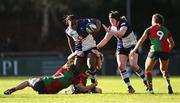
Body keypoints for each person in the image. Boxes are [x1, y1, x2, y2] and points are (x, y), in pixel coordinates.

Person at [97, 11, 148, 93]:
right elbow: (105, 39)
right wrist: (96, 47)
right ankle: (130, 87)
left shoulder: (124, 23)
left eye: (112, 20)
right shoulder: (111, 28)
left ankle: (145, 80)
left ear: (117, 19)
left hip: (132, 46)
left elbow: (121, 33)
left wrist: (110, 31)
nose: (110, 22)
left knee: (133, 65)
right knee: (121, 67)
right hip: (121, 47)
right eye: (109, 20)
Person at [4, 56, 102, 95]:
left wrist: (77, 53)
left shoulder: (65, 67)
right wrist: (94, 84)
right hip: (47, 90)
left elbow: (71, 58)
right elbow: (83, 89)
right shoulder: (74, 78)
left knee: (27, 82)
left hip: (42, 82)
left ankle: (13, 89)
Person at [130, 13, 175, 94]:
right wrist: (167, 51)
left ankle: (150, 89)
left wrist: (134, 50)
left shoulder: (149, 29)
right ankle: (168, 84)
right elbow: (172, 44)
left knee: (148, 70)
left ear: (154, 20)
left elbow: (140, 41)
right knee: (164, 70)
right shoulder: (165, 30)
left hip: (154, 50)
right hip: (165, 51)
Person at [64, 14, 102, 89]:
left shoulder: (84, 22)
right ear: (68, 24)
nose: (74, 26)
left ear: (77, 21)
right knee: (76, 68)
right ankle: (76, 87)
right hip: (79, 50)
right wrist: (74, 52)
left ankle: (93, 84)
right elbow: (70, 40)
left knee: (90, 64)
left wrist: (97, 29)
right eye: (72, 24)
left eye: (76, 23)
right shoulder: (68, 31)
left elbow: (97, 21)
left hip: (90, 47)